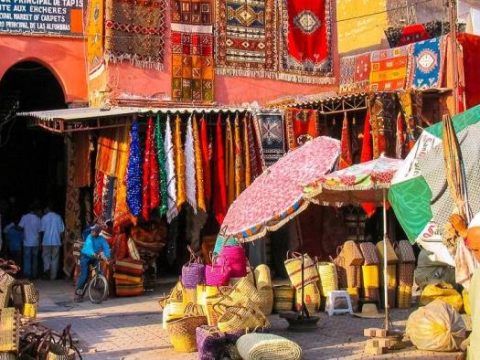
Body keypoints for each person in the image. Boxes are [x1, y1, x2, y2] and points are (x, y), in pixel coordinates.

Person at [75, 224, 111, 301]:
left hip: (95, 258)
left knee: (99, 272)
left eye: (93, 231)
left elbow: (106, 247)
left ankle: (102, 292)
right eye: (92, 230)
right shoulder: (89, 237)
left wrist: (107, 255)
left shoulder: (101, 239)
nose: (92, 232)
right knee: (84, 275)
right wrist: (93, 253)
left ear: (98, 232)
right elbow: (89, 246)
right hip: (86, 257)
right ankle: (78, 293)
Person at [40, 204, 65, 280]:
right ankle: (53, 276)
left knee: (46, 257)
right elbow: (61, 231)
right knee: (55, 258)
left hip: (46, 241)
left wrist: (40, 242)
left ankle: (47, 272)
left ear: (48, 208)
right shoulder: (58, 217)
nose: (44, 211)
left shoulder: (44, 217)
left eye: (45, 209)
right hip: (56, 241)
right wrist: (62, 240)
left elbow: (42, 231)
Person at [19, 206, 41, 279]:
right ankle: (34, 274)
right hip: (35, 242)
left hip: (27, 242)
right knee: (35, 258)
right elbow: (40, 231)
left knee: (27, 258)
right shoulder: (38, 219)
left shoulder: (24, 217)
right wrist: (40, 242)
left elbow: (19, 227)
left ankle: (27, 274)